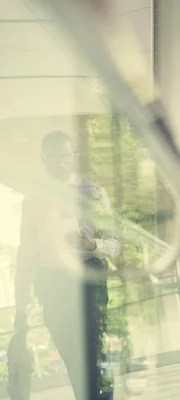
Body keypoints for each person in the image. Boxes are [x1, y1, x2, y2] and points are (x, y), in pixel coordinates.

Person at [14, 131, 120, 399]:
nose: (63, 163)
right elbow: (26, 255)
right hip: (52, 285)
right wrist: (21, 307)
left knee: (95, 353)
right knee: (74, 361)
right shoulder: (34, 200)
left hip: (89, 279)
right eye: (55, 158)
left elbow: (116, 246)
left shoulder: (94, 193)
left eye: (67, 156)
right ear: (44, 159)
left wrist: (93, 245)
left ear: (73, 155)